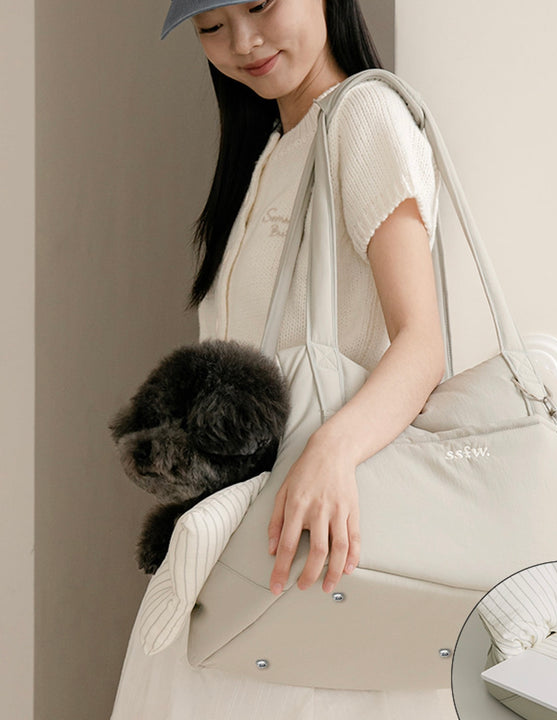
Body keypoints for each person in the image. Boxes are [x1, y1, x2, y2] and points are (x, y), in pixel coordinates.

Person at [111, 0, 456, 717]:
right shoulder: (273, 146)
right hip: (259, 545)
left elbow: (422, 344)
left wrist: (331, 451)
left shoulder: (364, 116)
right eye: (211, 27)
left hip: (325, 535)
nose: (243, 42)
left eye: (261, 4)